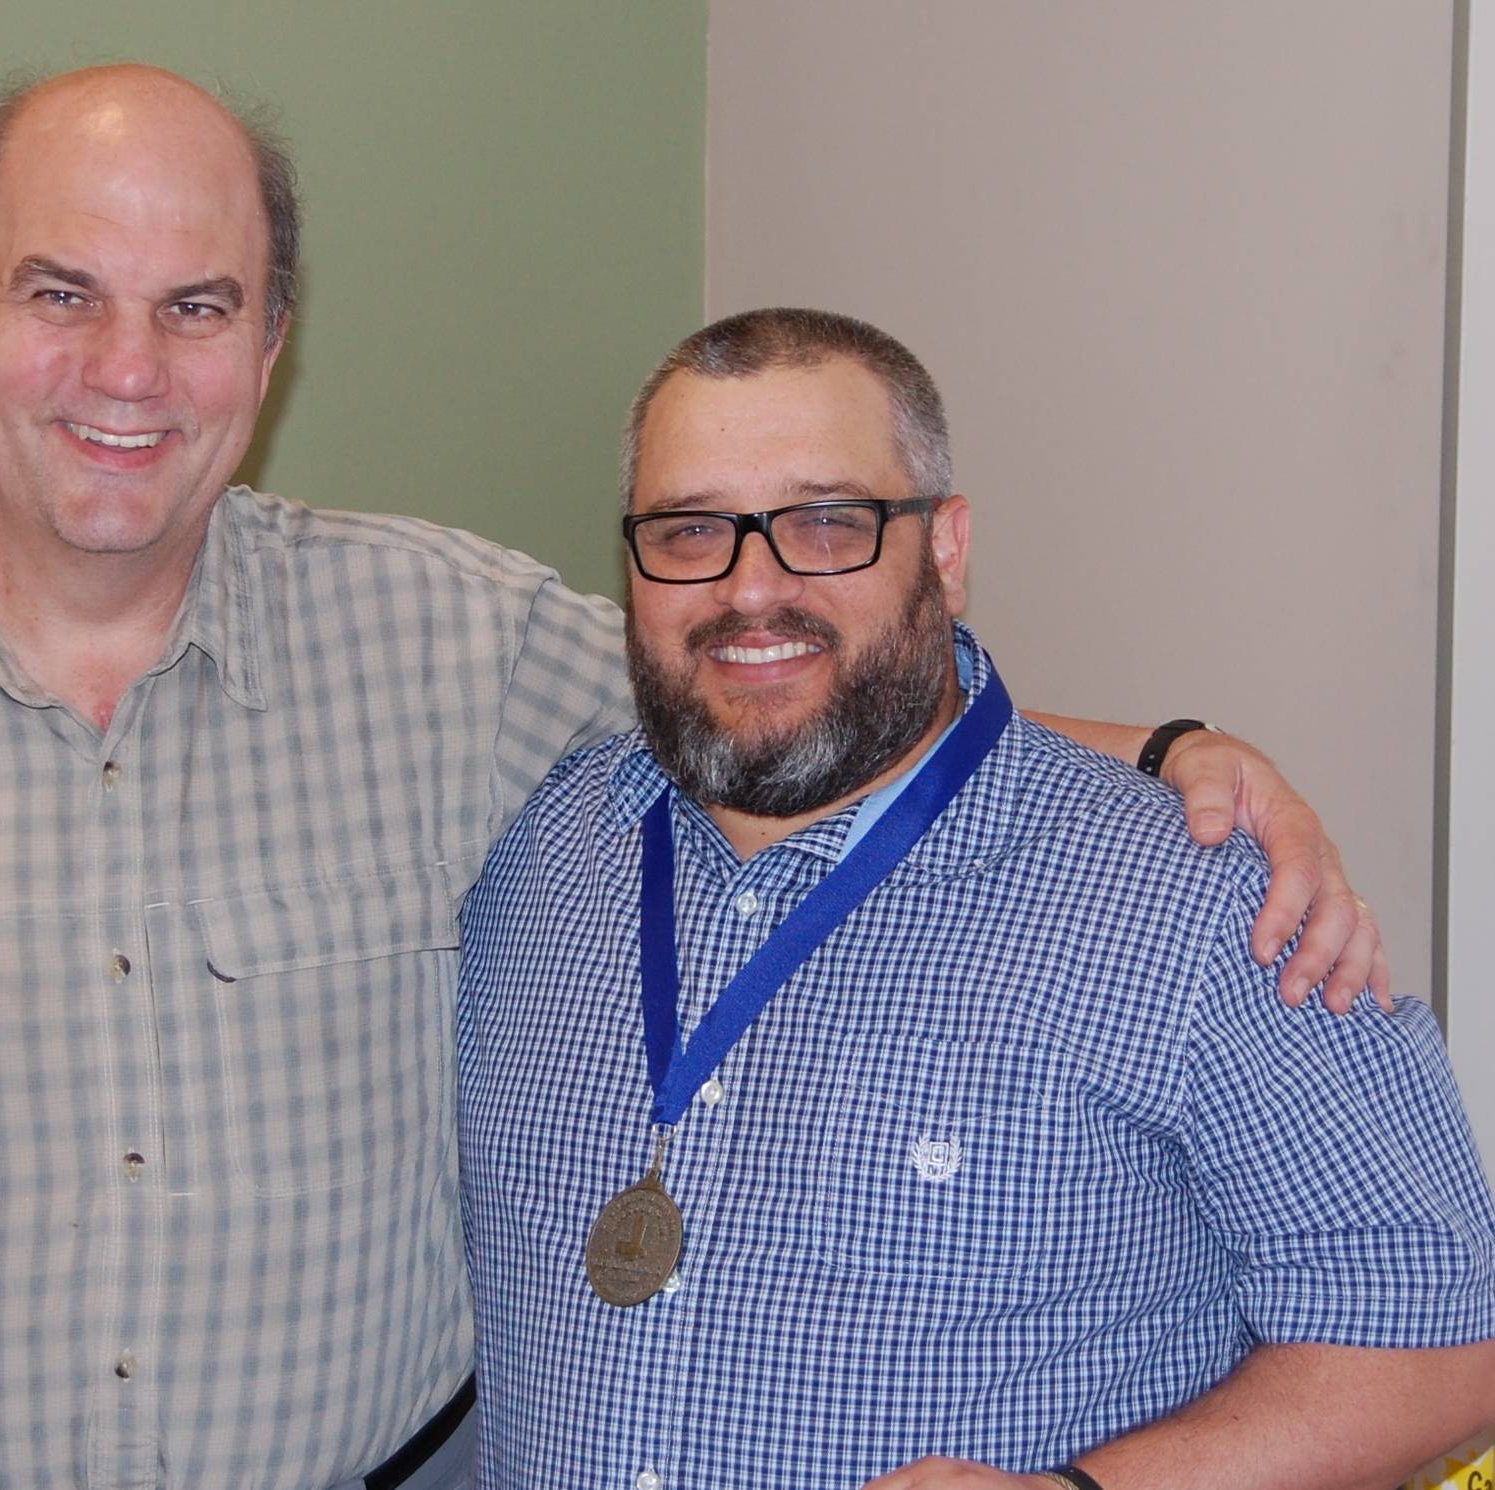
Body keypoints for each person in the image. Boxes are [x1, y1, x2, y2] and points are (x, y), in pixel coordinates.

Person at [0, 66, 1382, 1490]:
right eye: (59, 293)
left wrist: (1163, 752)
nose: (127, 371)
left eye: (199, 304)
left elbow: (770, 665)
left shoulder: (443, 643)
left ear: (270, 342)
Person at [458, 307, 1495, 1490]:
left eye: (825, 522)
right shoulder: (535, 844)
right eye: (691, 529)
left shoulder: (1193, 897)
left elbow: (1439, 1336)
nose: (751, 586)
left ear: (943, 549)